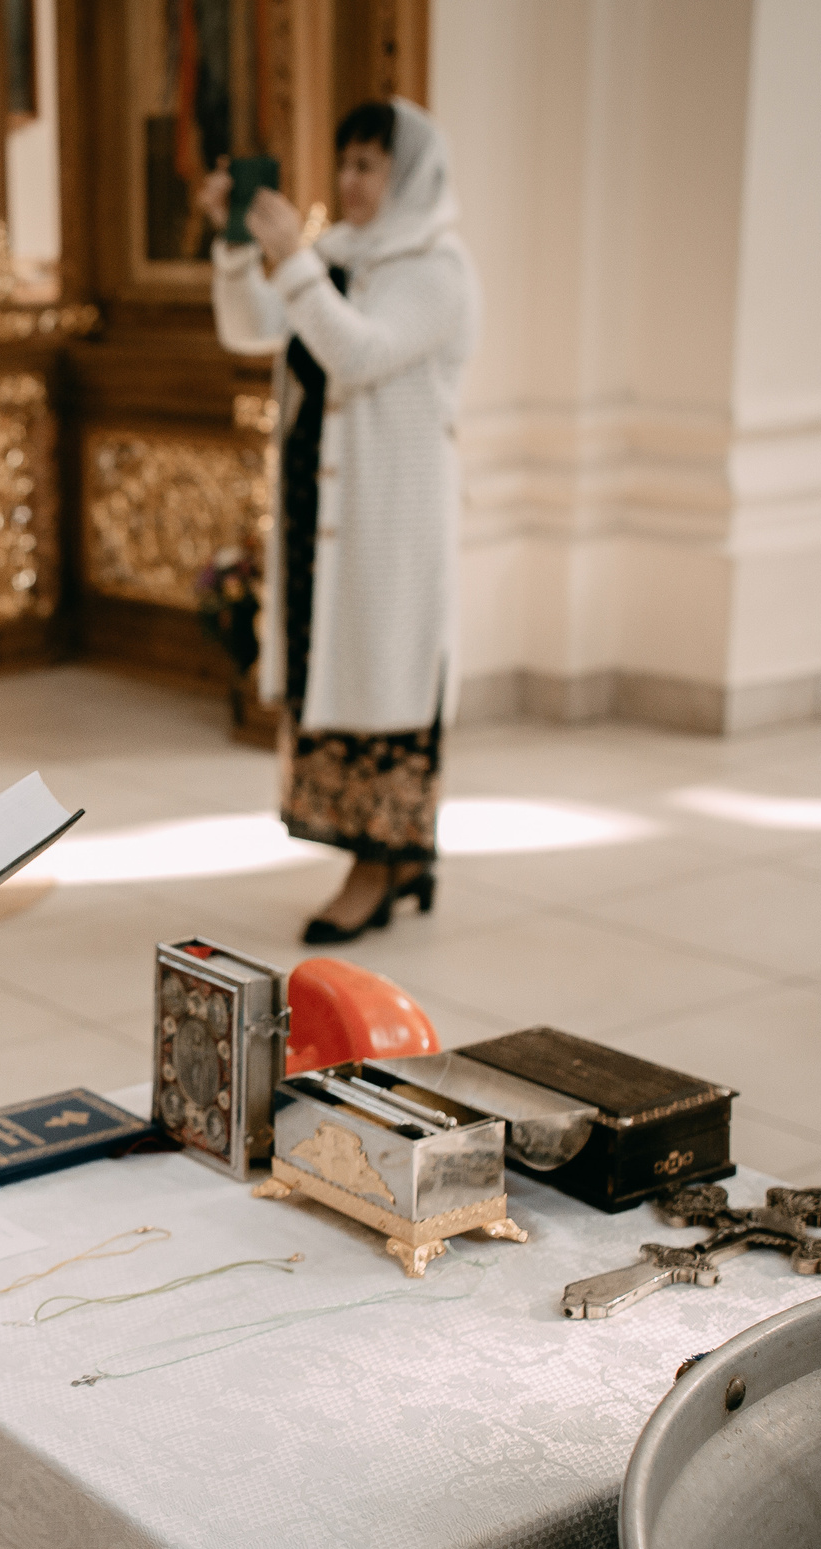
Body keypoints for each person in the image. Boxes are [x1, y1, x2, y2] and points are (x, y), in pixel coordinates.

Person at [203, 98, 479, 944]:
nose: (352, 181)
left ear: (411, 174)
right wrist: (238, 245)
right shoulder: (336, 255)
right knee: (336, 670)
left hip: (392, 521)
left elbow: (357, 354)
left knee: (386, 676)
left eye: (370, 165)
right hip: (321, 508)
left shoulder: (437, 267)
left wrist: (292, 260)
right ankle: (393, 857)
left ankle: (382, 862)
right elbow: (253, 329)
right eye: (346, 162)